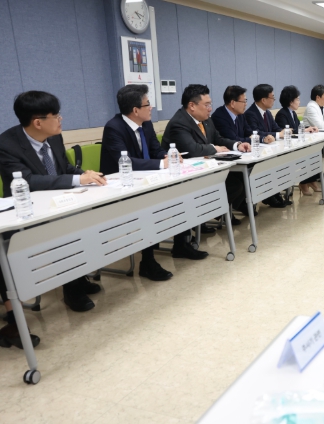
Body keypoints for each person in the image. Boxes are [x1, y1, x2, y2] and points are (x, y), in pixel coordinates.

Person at [0, 91, 106, 322]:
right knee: (63, 231)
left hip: (60, 203)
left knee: (86, 222)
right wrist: (77, 179)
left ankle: (78, 276)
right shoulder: (6, 144)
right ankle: (72, 289)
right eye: (56, 116)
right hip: (28, 211)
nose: (61, 119)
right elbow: (29, 181)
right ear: (38, 122)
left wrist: (85, 175)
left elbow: (65, 168)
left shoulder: (54, 137)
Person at [100, 84, 177, 281]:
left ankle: (182, 243)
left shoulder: (146, 124)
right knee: (147, 209)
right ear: (135, 110)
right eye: (147, 104)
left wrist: (168, 156)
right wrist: (161, 163)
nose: (151, 107)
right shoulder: (113, 128)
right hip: (118, 188)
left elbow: (155, 150)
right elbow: (125, 161)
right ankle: (148, 262)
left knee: (177, 196)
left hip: (144, 181)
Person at [162, 84, 250, 238]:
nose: (210, 109)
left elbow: (218, 138)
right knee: (232, 185)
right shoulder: (179, 122)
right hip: (184, 177)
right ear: (192, 106)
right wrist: (215, 148)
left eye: (210, 104)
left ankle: (206, 215)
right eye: (207, 105)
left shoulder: (206, 120)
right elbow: (192, 149)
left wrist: (237, 145)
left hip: (204, 170)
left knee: (236, 183)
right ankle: (200, 219)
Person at [275, 85, 320, 196]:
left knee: (314, 153)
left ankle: (310, 180)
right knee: (306, 156)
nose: (299, 102)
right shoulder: (282, 114)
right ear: (291, 101)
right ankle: (304, 182)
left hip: (295, 145)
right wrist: (304, 130)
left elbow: (298, 128)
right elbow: (287, 132)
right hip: (286, 148)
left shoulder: (292, 113)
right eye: (298, 99)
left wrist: (308, 128)